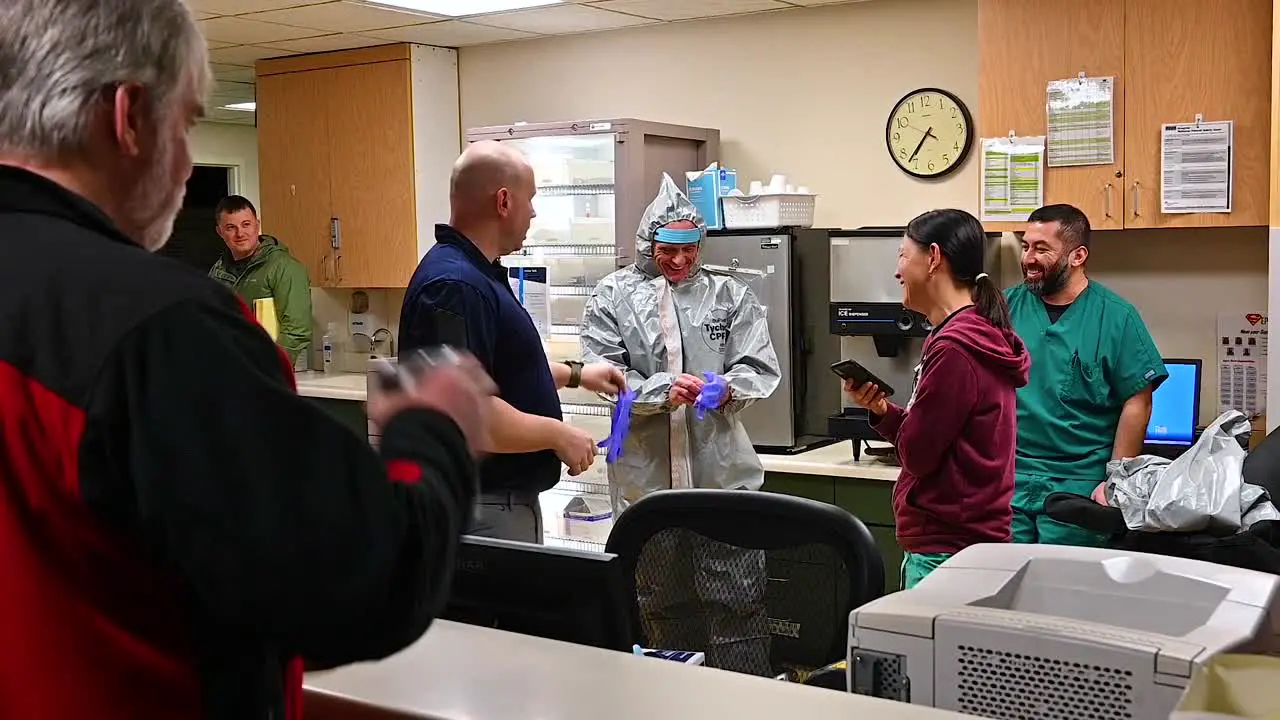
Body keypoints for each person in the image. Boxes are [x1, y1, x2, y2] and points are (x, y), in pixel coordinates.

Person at [0, 1, 494, 717]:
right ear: (130, 115)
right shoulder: (156, 327)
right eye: (189, 120)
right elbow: (352, 587)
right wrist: (433, 433)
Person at [579, 173, 781, 674]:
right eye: (667, 249)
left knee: (738, 601)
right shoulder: (614, 295)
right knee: (660, 603)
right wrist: (657, 392)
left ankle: (743, 703)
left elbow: (758, 365)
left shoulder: (729, 295)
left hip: (721, 476)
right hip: (647, 484)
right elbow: (603, 372)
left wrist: (725, 388)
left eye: (689, 249)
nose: (679, 261)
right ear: (649, 244)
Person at [399, 140, 626, 543]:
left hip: (497, 505)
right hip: (483, 510)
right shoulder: (454, 285)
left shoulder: (475, 274)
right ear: (503, 201)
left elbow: (498, 372)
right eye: (531, 199)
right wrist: (558, 434)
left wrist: (578, 375)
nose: (534, 212)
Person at [845, 209, 1029, 589]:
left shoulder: (955, 348)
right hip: (969, 544)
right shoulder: (974, 331)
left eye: (902, 255)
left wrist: (900, 424)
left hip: (947, 552)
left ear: (933, 257)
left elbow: (918, 454)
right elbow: (941, 436)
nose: (897, 271)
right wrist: (883, 411)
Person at [1005, 204, 1167, 546]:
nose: (1029, 258)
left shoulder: (1116, 316)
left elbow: (1137, 400)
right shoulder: (1004, 309)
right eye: (1026, 246)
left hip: (1078, 486)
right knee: (1000, 588)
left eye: (1042, 249)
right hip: (1007, 480)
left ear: (1078, 256)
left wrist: (1115, 481)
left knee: (1065, 592)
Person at [208, 195, 314, 364]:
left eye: (246, 224)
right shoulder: (217, 271)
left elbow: (297, 331)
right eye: (230, 227)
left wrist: (269, 368)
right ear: (220, 232)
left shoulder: (284, 268)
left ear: (257, 225)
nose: (240, 233)